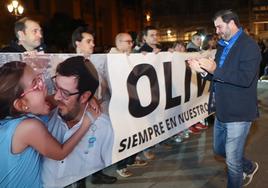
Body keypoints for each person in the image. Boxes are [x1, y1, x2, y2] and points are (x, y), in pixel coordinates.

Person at [188, 9, 261, 188]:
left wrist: (213, 70)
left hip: (239, 112)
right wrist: (203, 72)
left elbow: (244, 79)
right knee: (219, 150)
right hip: (221, 109)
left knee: (232, 162)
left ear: (231, 23)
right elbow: (218, 76)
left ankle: (240, 173)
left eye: (219, 26)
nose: (217, 31)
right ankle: (249, 166)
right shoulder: (223, 45)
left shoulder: (249, 46)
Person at [0, 61, 91, 187]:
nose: (44, 86)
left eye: (39, 79)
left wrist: (83, 96)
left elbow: (54, 99)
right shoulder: (29, 127)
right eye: (36, 85)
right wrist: (86, 123)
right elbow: (60, 153)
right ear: (21, 105)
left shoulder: (12, 118)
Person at [71, 27, 117, 184]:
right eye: (88, 41)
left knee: (97, 141)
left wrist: (101, 97)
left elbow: (101, 83)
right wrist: (90, 98)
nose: (93, 44)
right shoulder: (71, 63)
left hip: (98, 109)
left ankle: (97, 173)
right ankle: (80, 182)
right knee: (81, 145)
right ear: (77, 43)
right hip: (81, 112)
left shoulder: (92, 61)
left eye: (93, 41)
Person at [109, 32, 148, 178]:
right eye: (128, 42)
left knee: (134, 130)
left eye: (132, 42)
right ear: (118, 43)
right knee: (124, 133)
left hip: (132, 101)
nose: (131, 44)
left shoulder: (129, 57)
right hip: (120, 104)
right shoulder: (112, 58)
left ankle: (131, 159)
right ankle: (121, 165)